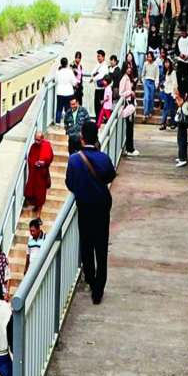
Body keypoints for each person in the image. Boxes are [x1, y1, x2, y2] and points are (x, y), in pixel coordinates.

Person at [65, 122, 117, 304]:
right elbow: (110, 176)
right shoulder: (104, 158)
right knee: (101, 248)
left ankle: (90, 278)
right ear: (96, 138)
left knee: (86, 244)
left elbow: (70, 183)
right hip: (101, 207)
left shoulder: (74, 160)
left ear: (82, 138)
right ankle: (98, 290)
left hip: (84, 207)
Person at [24, 131, 54, 216]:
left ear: (42, 139)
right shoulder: (33, 146)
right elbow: (30, 157)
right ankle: (35, 206)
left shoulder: (46, 145)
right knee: (32, 190)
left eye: (38, 140)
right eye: (35, 140)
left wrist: (43, 163)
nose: (36, 142)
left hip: (42, 174)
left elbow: (50, 157)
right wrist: (33, 163)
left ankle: (38, 214)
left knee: (40, 194)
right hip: (34, 172)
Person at [119, 62, 140, 157]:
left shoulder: (128, 78)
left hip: (131, 103)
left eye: (130, 67)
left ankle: (130, 148)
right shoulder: (124, 78)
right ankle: (129, 148)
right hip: (127, 104)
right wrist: (130, 92)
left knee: (130, 127)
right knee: (129, 128)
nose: (129, 69)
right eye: (127, 68)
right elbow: (121, 93)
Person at [55, 57, 76, 123]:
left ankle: (57, 123)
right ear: (67, 64)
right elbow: (74, 82)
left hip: (60, 92)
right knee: (68, 109)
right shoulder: (70, 72)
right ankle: (68, 123)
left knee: (59, 109)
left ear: (61, 64)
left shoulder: (58, 72)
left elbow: (56, 81)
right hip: (69, 93)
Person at [160, 59, 178, 130]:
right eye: (165, 63)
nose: (166, 64)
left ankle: (173, 123)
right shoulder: (166, 72)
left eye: (167, 63)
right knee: (166, 108)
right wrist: (163, 87)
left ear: (170, 63)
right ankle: (163, 123)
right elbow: (167, 82)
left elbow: (174, 83)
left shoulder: (173, 72)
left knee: (171, 108)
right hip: (166, 92)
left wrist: (174, 93)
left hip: (171, 92)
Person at [175, 92, 188, 167]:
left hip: (182, 123)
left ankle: (182, 159)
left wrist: (181, 107)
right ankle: (181, 157)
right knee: (180, 140)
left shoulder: (185, 105)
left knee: (182, 141)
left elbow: (186, 113)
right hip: (182, 124)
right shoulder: (186, 104)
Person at [175, 29, 188, 95]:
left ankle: (187, 92)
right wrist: (179, 54)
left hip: (187, 62)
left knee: (187, 78)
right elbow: (176, 49)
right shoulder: (179, 39)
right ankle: (181, 91)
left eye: (184, 32)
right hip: (180, 61)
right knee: (178, 76)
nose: (183, 33)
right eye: (182, 32)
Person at [141, 53, 159, 122]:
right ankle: (145, 114)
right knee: (146, 98)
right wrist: (143, 81)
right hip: (146, 82)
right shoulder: (145, 64)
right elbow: (143, 74)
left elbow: (157, 75)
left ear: (152, 57)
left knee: (151, 98)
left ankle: (150, 111)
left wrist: (156, 84)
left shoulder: (155, 65)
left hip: (153, 82)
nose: (149, 58)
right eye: (148, 57)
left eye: (150, 57)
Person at [91, 49, 108, 117]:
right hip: (97, 88)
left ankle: (99, 120)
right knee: (96, 107)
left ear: (103, 57)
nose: (98, 58)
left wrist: (94, 78)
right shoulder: (98, 64)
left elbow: (101, 75)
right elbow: (92, 73)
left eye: (99, 56)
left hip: (101, 89)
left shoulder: (104, 66)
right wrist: (95, 74)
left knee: (99, 107)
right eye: (97, 56)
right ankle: (98, 120)